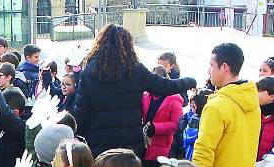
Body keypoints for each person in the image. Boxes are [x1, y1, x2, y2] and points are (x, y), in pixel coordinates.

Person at [72, 24, 196, 158]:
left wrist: (76, 136)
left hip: (98, 143)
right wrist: (190, 81)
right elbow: (165, 86)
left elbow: (81, 110)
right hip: (130, 144)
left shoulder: (90, 70)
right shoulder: (135, 69)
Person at [193, 43, 261, 167]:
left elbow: (204, 150)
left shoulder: (217, 105)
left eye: (211, 65)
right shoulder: (251, 98)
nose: (209, 71)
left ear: (224, 67)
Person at [140, 66, 184, 167]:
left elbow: (176, 124)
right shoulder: (145, 96)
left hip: (163, 148)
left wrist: (155, 128)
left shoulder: (173, 99)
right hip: (145, 147)